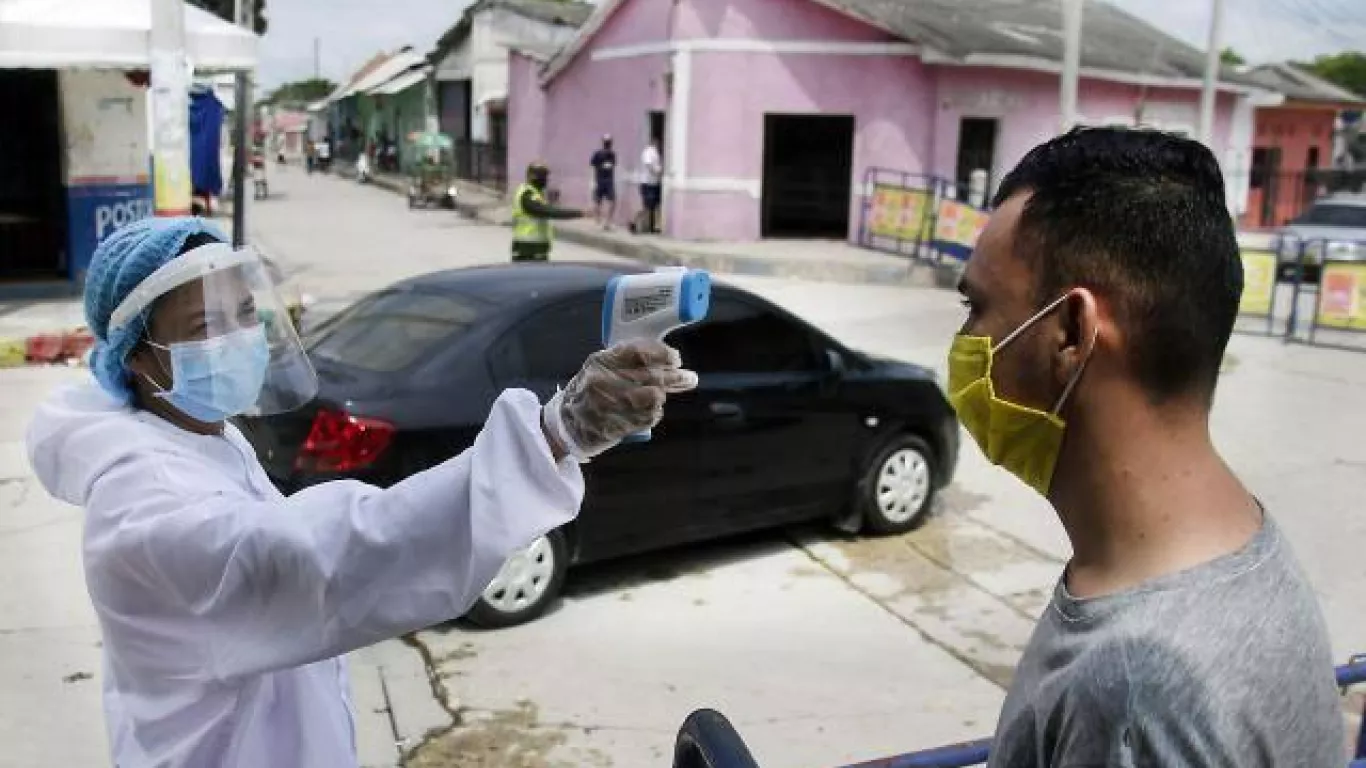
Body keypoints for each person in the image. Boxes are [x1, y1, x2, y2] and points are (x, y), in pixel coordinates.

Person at [26, 217, 697, 768]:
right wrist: (557, 433)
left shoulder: (196, 438)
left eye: (242, 313)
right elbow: (327, 558)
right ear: (139, 357)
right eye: (205, 327)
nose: (238, 337)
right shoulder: (144, 514)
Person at [950, 126, 1344, 766]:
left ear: (1071, 332)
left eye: (977, 305)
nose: (965, 341)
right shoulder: (1236, 541)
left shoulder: (1137, 700)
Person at [511, 161, 584, 262]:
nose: (545, 179)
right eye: (541, 176)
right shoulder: (527, 194)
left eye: (545, 176)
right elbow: (547, 211)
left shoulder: (536, 193)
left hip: (536, 247)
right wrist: (579, 213)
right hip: (527, 248)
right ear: (531, 176)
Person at [590, 134, 617, 230]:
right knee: (598, 201)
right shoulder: (597, 154)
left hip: (608, 180)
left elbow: (613, 166)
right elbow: (592, 167)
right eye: (607, 142)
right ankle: (598, 220)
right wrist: (592, 181)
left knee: (612, 201)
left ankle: (607, 222)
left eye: (609, 142)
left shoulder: (612, 154)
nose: (608, 144)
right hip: (600, 180)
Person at [639, 137, 663, 234]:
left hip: (654, 182)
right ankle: (640, 224)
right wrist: (657, 172)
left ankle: (652, 227)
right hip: (648, 182)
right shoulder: (648, 152)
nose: (659, 144)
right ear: (654, 142)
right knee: (648, 205)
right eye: (658, 142)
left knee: (654, 205)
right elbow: (648, 165)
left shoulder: (656, 153)